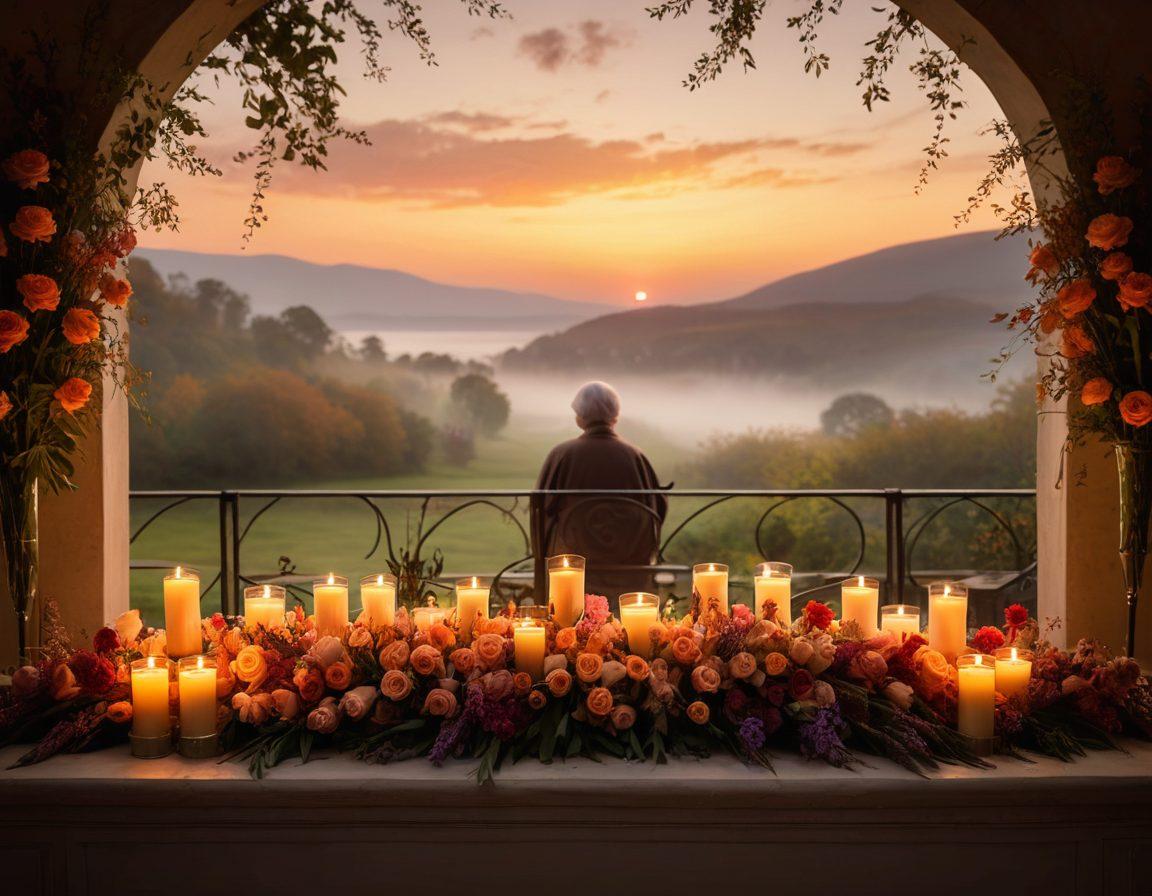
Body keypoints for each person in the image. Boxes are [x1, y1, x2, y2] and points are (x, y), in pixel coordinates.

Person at [534, 382, 669, 598]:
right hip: (631, 571)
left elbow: (540, 511)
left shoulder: (562, 455)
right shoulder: (636, 457)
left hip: (576, 573)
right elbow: (656, 510)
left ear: (579, 416)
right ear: (615, 416)